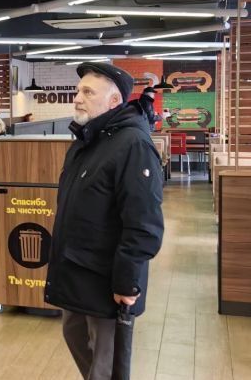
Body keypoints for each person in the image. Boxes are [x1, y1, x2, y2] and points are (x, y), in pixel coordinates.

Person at [46, 62, 164, 380]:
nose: (77, 98)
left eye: (87, 92)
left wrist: (127, 283)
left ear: (114, 101)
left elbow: (144, 223)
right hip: (75, 274)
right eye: (77, 90)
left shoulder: (133, 146)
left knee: (106, 367)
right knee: (74, 338)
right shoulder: (86, 143)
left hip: (108, 283)